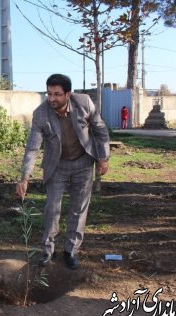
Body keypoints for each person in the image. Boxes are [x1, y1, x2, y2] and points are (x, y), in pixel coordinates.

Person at [16, 74, 110, 270]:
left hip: (83, 162)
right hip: (56, 166)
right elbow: (32, 148)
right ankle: (47, 250)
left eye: (57, 94)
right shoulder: (41, 114)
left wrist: (103, 157)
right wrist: (24, 177)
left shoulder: (84, 102)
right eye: (49, 94)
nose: (52, 99)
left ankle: (71, 251)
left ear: (68, 94)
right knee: (52, 208)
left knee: (78, 208)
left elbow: (100, 129)